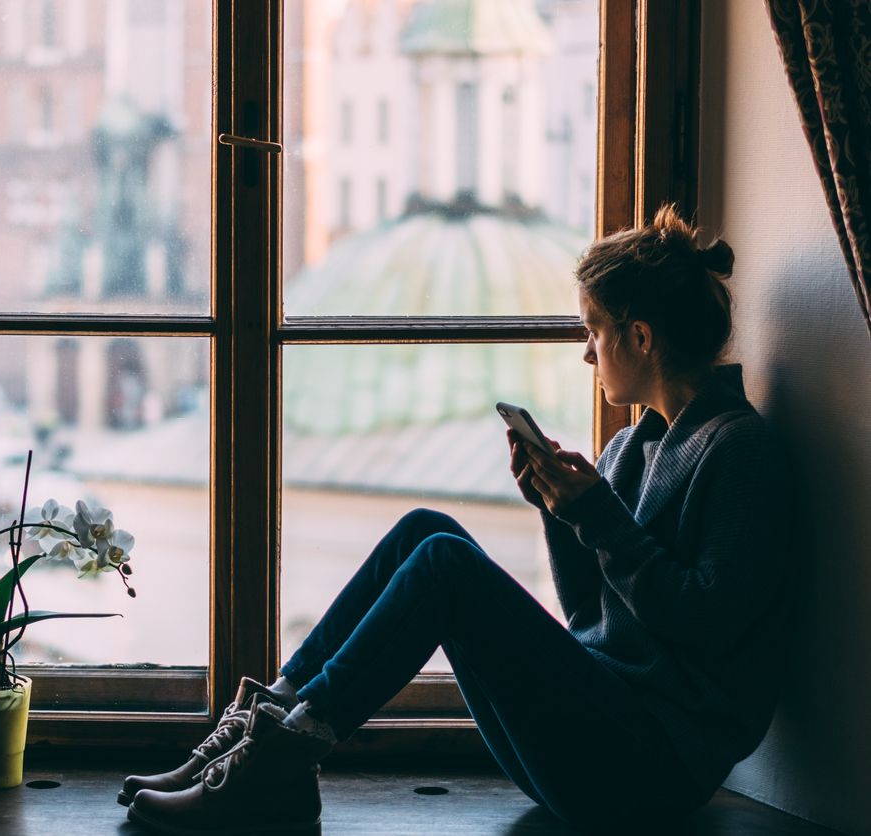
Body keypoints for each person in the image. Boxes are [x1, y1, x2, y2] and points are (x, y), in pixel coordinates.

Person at [119, 206, 791, 834]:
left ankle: (280, 764)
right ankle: (260, 732)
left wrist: (597, 517)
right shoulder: (631, 446)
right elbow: (592, 616)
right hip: (599, 735)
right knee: (425, 528)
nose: (588, 353)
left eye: (594, 331)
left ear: (639, 338)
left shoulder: (738, 449)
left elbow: (707, 625)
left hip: (650, 772)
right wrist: (559, 513)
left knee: (445, 564)